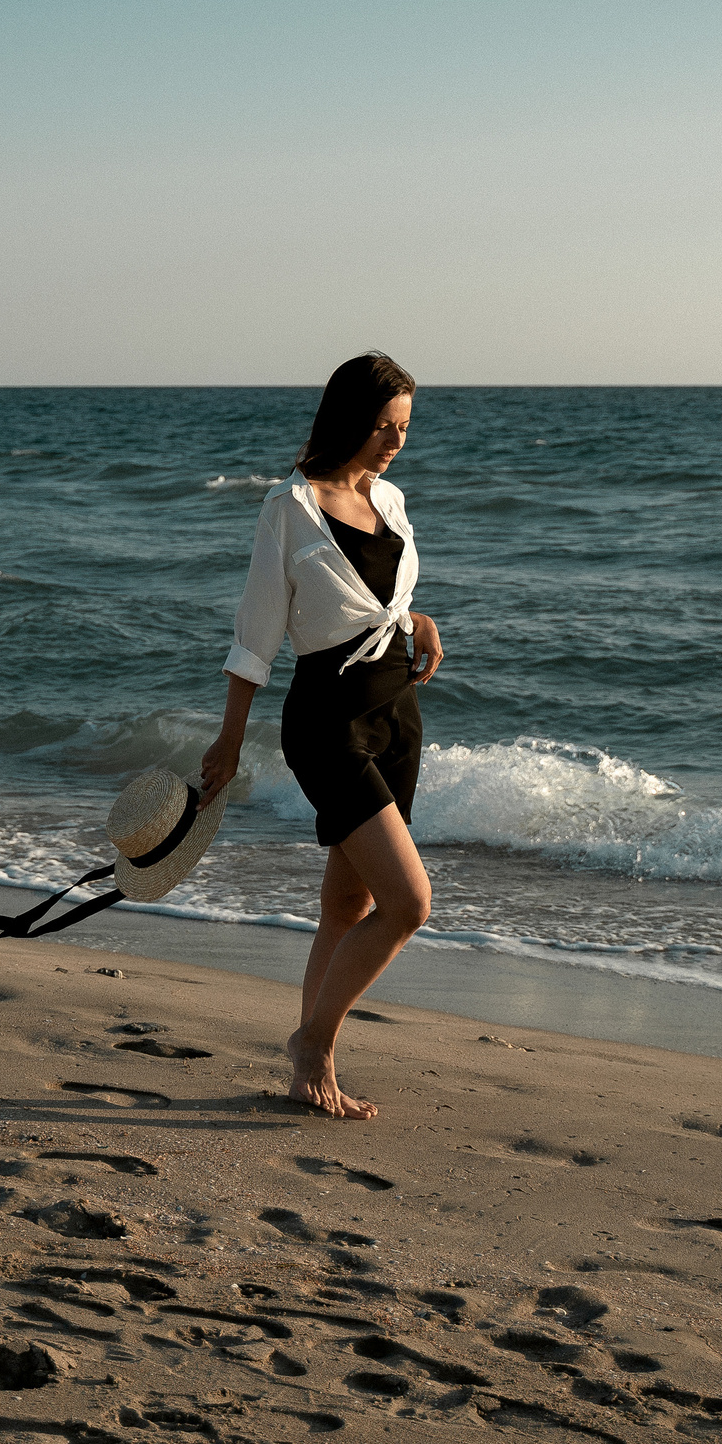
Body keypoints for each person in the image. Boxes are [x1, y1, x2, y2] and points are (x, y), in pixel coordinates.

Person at [199, 354, 443, 1119]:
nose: (395, 442)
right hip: (328, 724)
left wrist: (417, 620)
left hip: (396, 716)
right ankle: (315, 1044)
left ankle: (308, 1075)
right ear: (347, 418)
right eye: (383, 426)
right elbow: (256, 637)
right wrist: (229, 741)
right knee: (410, 904)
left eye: (405, 427)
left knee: (347, 903)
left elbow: (380, 596)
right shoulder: (290, 508)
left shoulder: (393, 500)